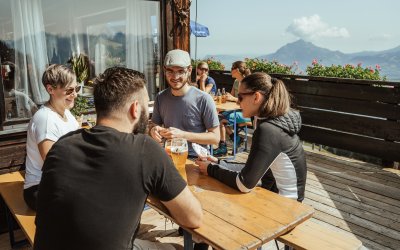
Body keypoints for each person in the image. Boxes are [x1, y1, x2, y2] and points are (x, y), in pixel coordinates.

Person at [34, 67, 203, 250]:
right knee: (176, 248)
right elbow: (193, 218)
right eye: (147, 106)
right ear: (135, 109)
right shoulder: (145, 150)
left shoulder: (61, 146)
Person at [196, 72, 307, 202]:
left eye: (240, 97)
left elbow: (244, 184)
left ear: (256, 97)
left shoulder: (268, 130)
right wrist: (218, 163)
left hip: (286, 206)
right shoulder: (274, 122)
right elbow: (252, 169)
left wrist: (210, 169)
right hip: (279, 197)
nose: (237, 102)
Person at [23, 64, 80, 211]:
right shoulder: (45, 119)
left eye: (77, 88)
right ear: (50, 89)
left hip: (60, 182)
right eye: (69, 90)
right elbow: (52, 164)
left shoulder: (66, 114)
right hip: (39, 188)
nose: (75, 94)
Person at [150, 49, 220, 156]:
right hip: (168, 155)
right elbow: (153, 125)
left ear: (189, 70)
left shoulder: (204, 98)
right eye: (170, 71)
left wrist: (183, 135)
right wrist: (153, 130)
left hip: (195, 159)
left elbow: (215, 138)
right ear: (164, 70)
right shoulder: (161, 97)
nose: (175, 77)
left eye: (180, 71)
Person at [213, 61, 252, 156]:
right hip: (236, 110)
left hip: (246, 113)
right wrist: (228, 96)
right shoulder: (236, 82)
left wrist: (233, 98)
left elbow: (245, 100)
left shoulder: (248, 83)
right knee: (219, 116)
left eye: (231, 69)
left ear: (237, 70)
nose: (230, 70)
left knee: (220, 120)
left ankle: (223, 147)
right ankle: (236, 138)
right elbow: (233, 98)